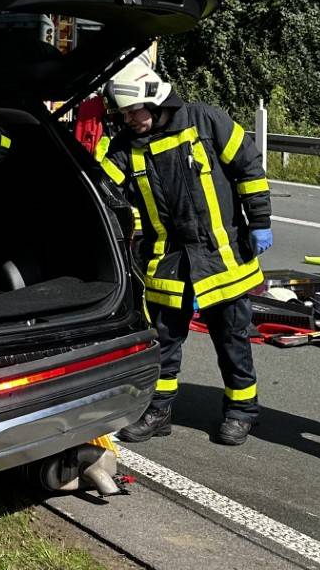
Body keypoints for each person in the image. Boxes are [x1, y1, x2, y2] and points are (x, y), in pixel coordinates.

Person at [96, 56, 273, 446]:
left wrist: (259, 222)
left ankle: (242, 411)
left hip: (223, 257)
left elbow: (249, 167)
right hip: (167, 261)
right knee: (164, 341)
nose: (128, 120)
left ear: (153, 100)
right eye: (123, 115)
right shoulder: (126, 147)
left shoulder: (207, 121)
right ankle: (158, 411)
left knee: (232, 339)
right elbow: (105, 191)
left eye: (132, 112)